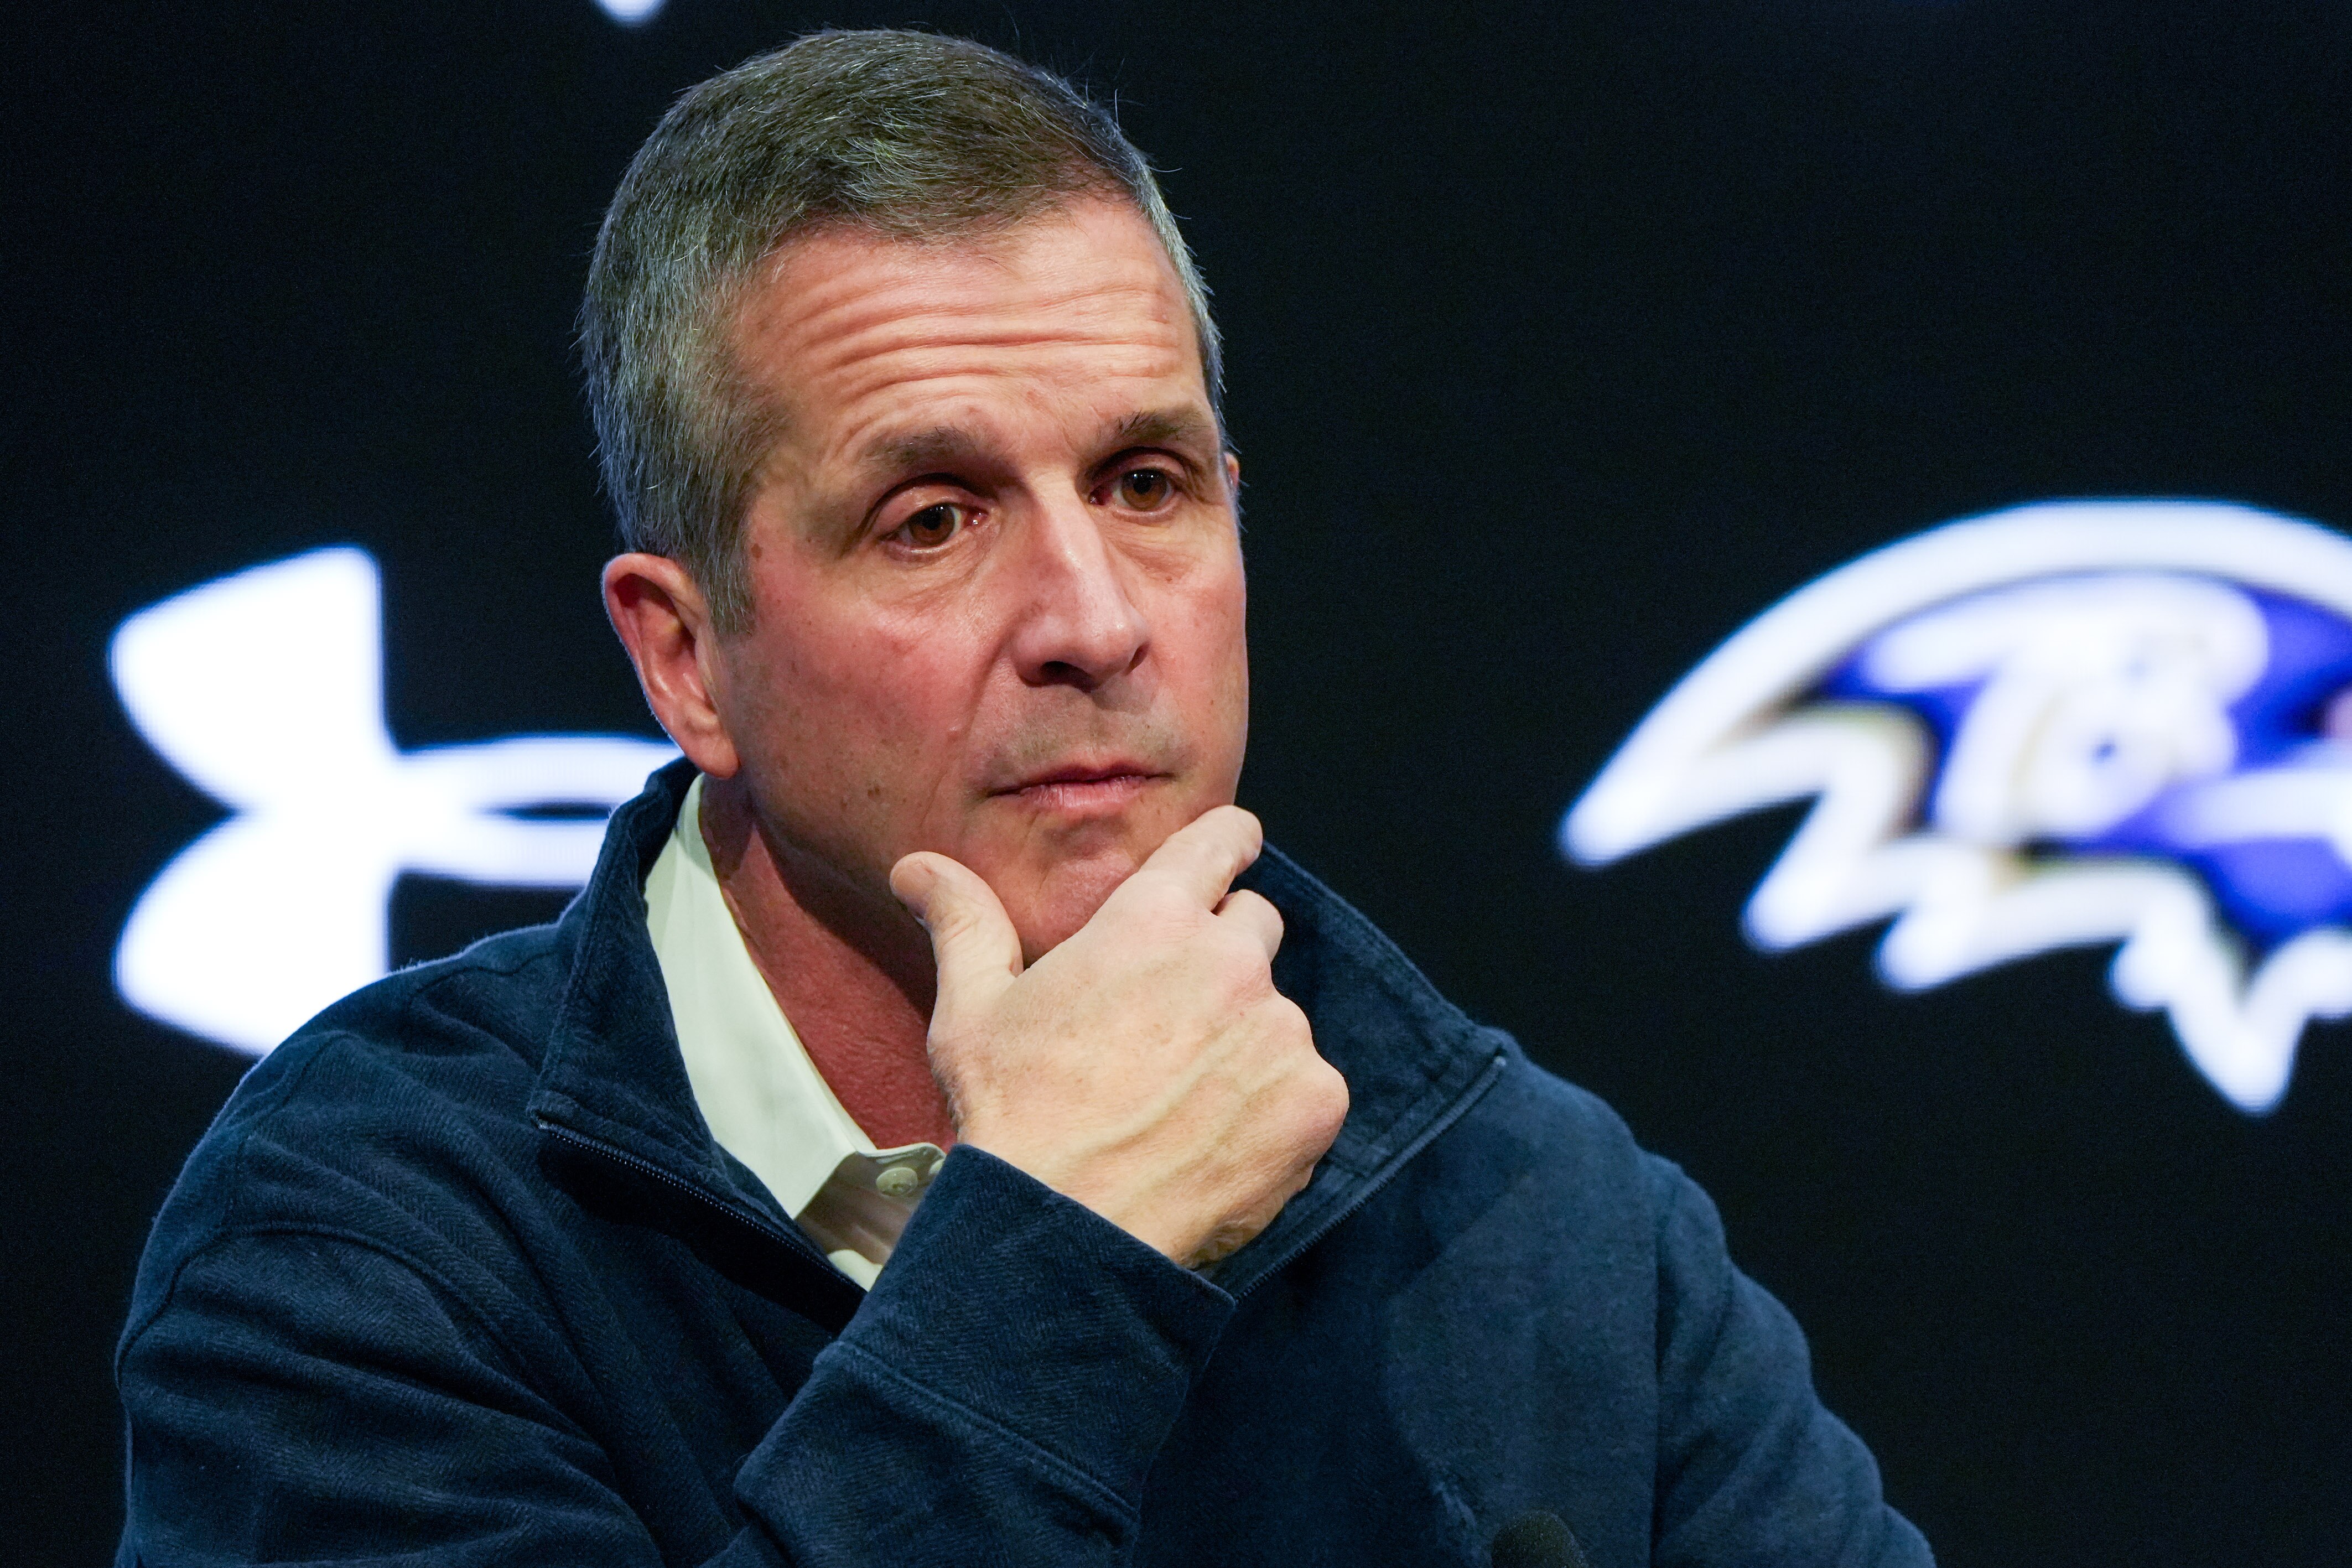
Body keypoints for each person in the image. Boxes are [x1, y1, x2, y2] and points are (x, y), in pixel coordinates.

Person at [115, 30, 1933, 1567]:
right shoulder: (367, 1233)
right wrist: (1063, 1256)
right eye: (931, 518)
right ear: (686, 660)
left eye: (1147, 482)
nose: (1091, 621)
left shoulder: (1541, 1221)